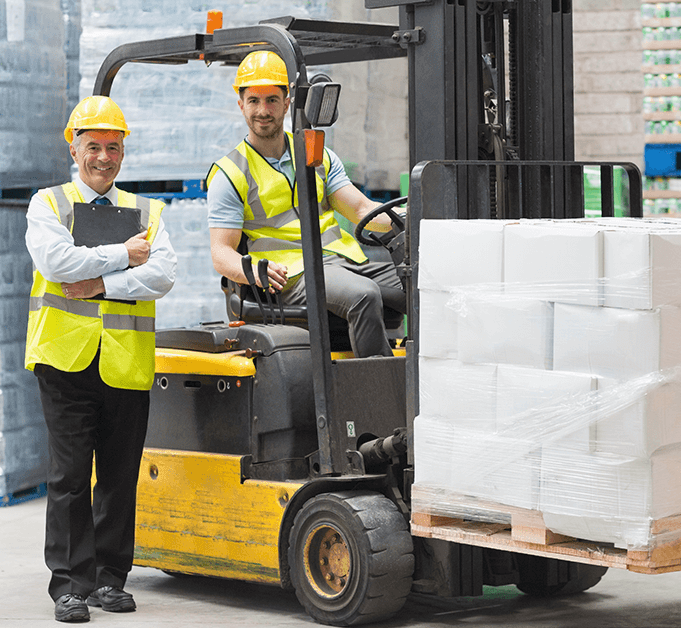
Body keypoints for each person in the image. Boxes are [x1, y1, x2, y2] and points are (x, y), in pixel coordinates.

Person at [24, 95, 177, 623]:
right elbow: (55, 260)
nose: (104, 158)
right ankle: (70, 584)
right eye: (94, 146)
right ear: (74, 148)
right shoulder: (48, 204)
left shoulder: (147, 211)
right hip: (64, 359)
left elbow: (163, 276)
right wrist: (123, 256)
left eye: (113, 148)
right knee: (69, 476)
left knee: (118, 476)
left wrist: (101, 282)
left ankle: (110, 580)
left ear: (123, 152)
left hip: (125, 361)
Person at [206, 50, 406, 357]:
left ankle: (426, 378)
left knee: (421, 282)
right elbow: (222, 252)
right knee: (363, 296)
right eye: (254, 101)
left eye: (272, 99)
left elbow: (363, 210)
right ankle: (378, 400)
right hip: (292, 275)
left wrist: (411, 218)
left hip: (343, 262)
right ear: (241, 105)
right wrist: (254, 272)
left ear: (287, 103)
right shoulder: (231, 172)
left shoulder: (317, 155)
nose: (263, 110)